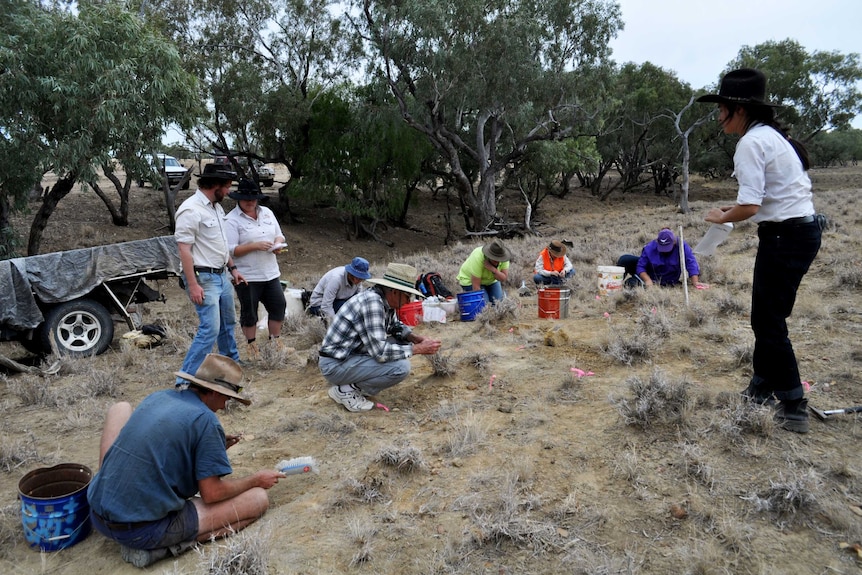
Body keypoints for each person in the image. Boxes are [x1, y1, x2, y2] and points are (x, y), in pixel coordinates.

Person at [698, 68, 822, 433]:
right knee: (767, 316)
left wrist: (720, 214)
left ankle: (793, 402)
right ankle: (762, 386)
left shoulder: (751, 143)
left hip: (786, 237)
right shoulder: (772, 136)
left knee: (768, 321)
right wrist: (730, 214)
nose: (718, 116)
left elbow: (750, 206)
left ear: (738, 109)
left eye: (721, 108)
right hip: (796, 233)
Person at [87, 354, 285, 568]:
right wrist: (255, 480)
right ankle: (162, 550)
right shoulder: (206, 421)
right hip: (139, 531)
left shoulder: (159, 397)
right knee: (258, 499)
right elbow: (211, 494)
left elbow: (168, 446)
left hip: (98, 514)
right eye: (227, 397)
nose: (226, 404)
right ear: (216, 392)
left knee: (120, 408)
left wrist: (210, 448)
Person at [318, 263, 442, 412]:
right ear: (395, 292)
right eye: (407, 296)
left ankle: (352, 386)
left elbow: (394, 325)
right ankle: (345, 391)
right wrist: (418, 349)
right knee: (400, 368)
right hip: (335, 365)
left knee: (400, 340)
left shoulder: (384, 300)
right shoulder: (373, 303)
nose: (409, 301)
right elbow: (380, 353)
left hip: (349, 355)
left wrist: (414, 338)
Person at [175, 164, 244, 385]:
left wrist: (233, 269)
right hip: (203, 277)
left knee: (227, 324)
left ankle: (232, 369)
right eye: (227, 187)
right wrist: (193, 285)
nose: (228, 191)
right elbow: (184, 250)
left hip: (221, 275)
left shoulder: (216, 207)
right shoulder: (190, 210)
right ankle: (184, 380)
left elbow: (220, 244)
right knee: (210, 329)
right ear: (215, 185)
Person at [225, 178, 287, 359]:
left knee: (278, 306)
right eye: (245, 199)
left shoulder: (267, 213)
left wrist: (277, 244)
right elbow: (230, 250)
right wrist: (254, 245)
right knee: (249, 312)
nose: (250, 202)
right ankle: (252, 347)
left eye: (253, 198)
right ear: (238, 199)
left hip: (270, 271)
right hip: (247, 275)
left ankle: (275, 342)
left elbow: (279, 235)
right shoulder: (231, 220)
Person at [617, 228, 704, 288]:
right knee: (625, 259)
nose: (665, 251)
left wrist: (695, 282)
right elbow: (641, 266)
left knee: (631, 284)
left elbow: (691, 263)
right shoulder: (650, 247)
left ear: (673, 243)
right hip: (649, 273)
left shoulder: (681, 246)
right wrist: (647, 280)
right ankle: (615, 284)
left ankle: (635, 283)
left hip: (666, 277)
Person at [307, 257, 371, 322]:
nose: (358, 281)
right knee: (347, 310)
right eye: (356, 277)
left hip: (339, 300)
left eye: (360, 278)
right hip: (320, 304)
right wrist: (335, 323)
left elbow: (359, 298)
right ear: (350, 273)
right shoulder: (336, 279)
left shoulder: (358, 281)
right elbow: (326, 306)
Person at [456, 239, 511, 304]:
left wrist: (493, 269)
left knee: (498, 303)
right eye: (495, 259)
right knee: (485, 305)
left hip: (490, 281)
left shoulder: (503, 257)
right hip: (470, 281)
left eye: (499, 259)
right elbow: (476, 287)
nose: (497, 261)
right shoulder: (478, 257)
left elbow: (503, 278)